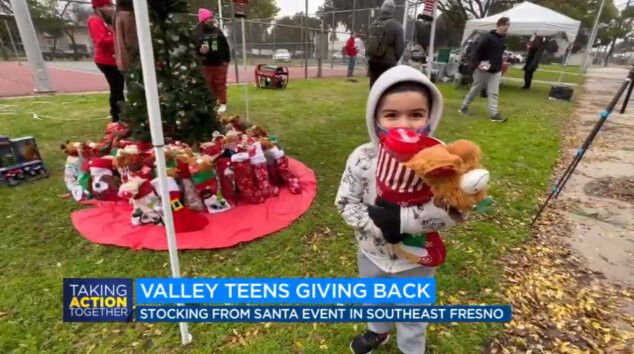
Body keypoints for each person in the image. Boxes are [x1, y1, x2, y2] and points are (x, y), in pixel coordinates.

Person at [335, 65, 462, 354]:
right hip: (372, 252)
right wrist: (379, 224)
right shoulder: (362, 158)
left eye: (416, 114)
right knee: (374, 298)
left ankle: (411, 349)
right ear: (375, 118)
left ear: (431, 116)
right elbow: (345, 203)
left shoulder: (441, 162)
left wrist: (403, 220)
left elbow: (456, 211)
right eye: (391, 115)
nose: (404, 124)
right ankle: (378, 332)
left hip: (416, 260)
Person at [459, 16, 510, 123]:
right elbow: (477, 51)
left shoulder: (502, 40)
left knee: (493, 92)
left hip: (496, 70)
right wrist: (477, 64)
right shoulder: (488, 37)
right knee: (475, 90)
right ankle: (464, 107)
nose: (506, 27)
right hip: (483, 69)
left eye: (508, 25)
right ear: (499, 25)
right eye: (505, 25)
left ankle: (494, 114)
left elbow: (497, 54)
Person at [88, 0, 124, 122]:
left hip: (114, 60)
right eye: (108, 6)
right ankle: (117, 116)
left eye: (111, 5)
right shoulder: (95, 20)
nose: (111, 8)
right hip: (106, 61)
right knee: (116, 89)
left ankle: (120, 114)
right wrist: (119, 36)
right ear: (99, 7)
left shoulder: (107, 21)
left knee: (118, 87)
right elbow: (101, 41)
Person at [194, 8, 230, 113]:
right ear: (203, 20)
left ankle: (223, 102)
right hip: (205, 64)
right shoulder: (196, 32)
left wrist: (226, 60)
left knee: (220, 83)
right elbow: (194, 48)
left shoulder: (217, 30)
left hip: (220, 63)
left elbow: (225, 45)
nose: (211, 20)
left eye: (211, 18)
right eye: (209, 18)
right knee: (209, 84)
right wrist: (200, 51)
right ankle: (212, 102)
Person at [366, 0, 404, 87]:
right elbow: (400, 49)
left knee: (374, 88)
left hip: (373, 62)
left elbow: (368, 42)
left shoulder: (373, 24)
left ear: (382, 8)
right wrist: (394, 59)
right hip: (388, 63)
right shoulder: (397, 26)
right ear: (393, 10)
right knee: (386, 90)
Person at [114, 0, 137, 76]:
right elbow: (131, 40)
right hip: (131, 60)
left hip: (122, 60)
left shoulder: (117, 16)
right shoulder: (128, 16)